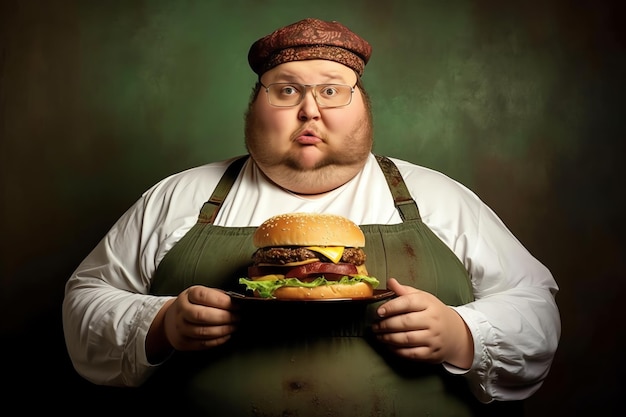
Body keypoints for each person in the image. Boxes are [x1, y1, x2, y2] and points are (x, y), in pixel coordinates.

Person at [62, 18, 560, 416]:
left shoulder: (438, 197)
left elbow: (535, 308)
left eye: (331, 90)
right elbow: (83, 302)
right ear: (253, 107)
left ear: (363, 106)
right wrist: (161, 323)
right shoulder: (178, 196)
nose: (309, 111)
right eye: (285, 90)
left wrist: (461, 334)